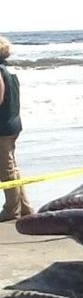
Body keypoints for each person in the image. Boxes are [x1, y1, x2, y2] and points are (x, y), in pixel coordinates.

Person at [0, 36, 33, 222]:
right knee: (12, 166)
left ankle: (11, 210)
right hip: (13, 121)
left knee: (6, 169)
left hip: (2, 125)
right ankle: (25, 206)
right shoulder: (9, 69)